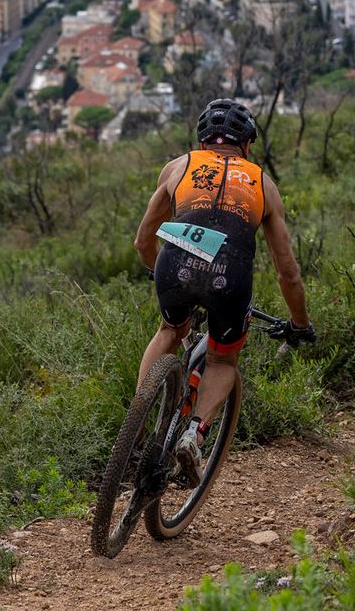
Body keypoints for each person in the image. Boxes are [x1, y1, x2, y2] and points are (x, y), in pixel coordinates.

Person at [133, 99, 315, 485]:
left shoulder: (178, 166)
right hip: (229, 274)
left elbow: (143, 239)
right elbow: (288, 273)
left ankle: (137, 420)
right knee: (222, 360)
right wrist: (300, 323)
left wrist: (158, 273)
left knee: (171, 330)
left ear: (202, 142)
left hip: (176, 258)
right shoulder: (263, 184)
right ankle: (194, 434)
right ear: (246, 144)